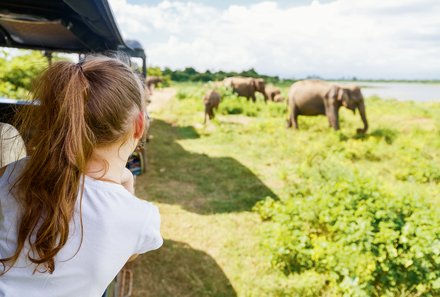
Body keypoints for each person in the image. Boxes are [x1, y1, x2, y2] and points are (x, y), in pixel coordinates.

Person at [0, 56, 163, 296]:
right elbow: (129, 254)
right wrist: (127, 185)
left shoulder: (13, 172)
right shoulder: (141, 219)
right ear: (138, 126)